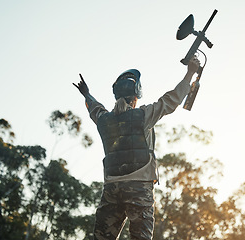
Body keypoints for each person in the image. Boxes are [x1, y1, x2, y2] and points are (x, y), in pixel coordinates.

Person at [73, 56, 200, 240]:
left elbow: (93, 107)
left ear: (116, 95)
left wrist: (86, 94)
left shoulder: (103, 119)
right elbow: (171, 100)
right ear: (136, 96)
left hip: (112, 189)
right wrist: (190, 73)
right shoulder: (143, 115)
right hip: (139, 189)